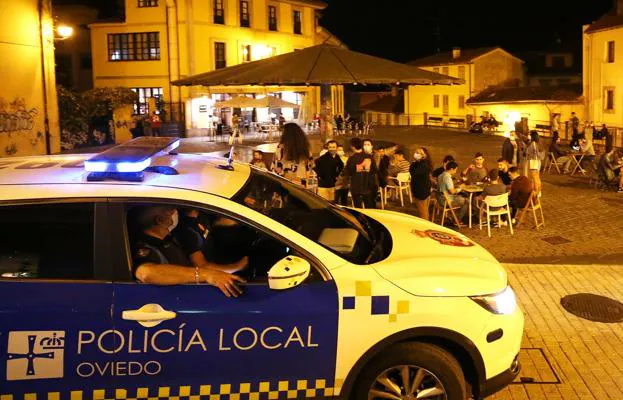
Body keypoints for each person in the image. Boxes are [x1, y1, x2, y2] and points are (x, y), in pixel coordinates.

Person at [132, 206, 246, 297]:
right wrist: (207, 275)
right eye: (168, 209)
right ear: (160, 220)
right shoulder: (147, 247)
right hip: (173, 303)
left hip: (190, 295)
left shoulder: (169, 238)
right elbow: (145, 273)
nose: (174, 211)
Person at [344, 137, 378, 208]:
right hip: (368, 186)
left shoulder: (351, 159)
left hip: (356, 187)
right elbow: (374, 170)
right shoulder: (370, 157)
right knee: (369, 209)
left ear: (352, 147)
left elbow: (348, 173)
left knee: (358, 210)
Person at [437, 161, 467, 226]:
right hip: (446, 200)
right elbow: (452, 192)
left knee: (461, 197)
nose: (455, 172)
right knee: (467, 201)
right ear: (451, 169)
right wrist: (460, 188)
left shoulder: (440, 175)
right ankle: (457, 220)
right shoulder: (448, 177)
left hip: (439, 199)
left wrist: (457, 187)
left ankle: (453, 217)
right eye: (455, 170)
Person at [409, 147, 433, 220]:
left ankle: (425, 228)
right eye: (416, 152)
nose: (416, 154)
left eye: (418, 153)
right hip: (421, 190)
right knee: (424, 211)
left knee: (423, 212)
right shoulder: (419, 163)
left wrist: (413, 164)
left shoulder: (423, 164)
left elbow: (414, 173)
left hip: (421, 191)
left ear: (424, 155)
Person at [525, 131, 542, 196]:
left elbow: (535, 153)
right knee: (536, 177)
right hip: (535, 161)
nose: (529, 136)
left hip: (533, 162)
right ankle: (537, 191)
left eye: (530, 135)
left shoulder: (534, 143)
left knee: (535, 178)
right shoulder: (537, 143)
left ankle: (537, 191)